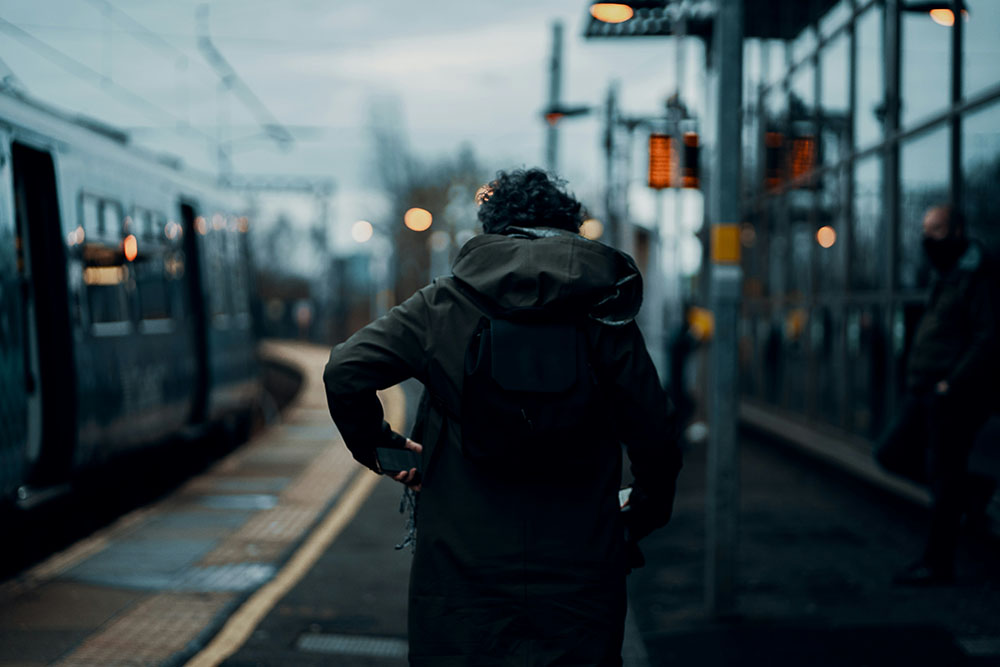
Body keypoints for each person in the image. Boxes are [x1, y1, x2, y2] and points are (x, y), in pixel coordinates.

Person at [323, 168, 682, 665]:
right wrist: (638, 515)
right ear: (570, 231)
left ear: (492, 229)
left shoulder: (444, 305)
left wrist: (381, 448)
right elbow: (656, 434)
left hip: (460, 581)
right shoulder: (603, 313)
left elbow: (346, 370)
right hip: (578, 576)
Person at [875, 204, 998, 586]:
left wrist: (952, 384)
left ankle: (936, 563)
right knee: (892, 453)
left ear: (958, 230)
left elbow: (988, 338)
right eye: (926, 230)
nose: (929, 239)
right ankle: (973, 492)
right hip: (926, 389)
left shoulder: (977, 276)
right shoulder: (947, 275)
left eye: (938, 230)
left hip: (952, 394)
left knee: (944, 476)